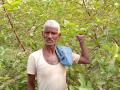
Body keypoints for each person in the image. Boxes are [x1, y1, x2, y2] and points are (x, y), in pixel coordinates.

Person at [27, 20, 89, 90]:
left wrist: (82, 41)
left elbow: (86, 60)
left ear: (59, 36)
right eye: (47, 33)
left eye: (53, 33)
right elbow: (30, 84)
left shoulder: (64, 53)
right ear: (42, 34)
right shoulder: (34, 57)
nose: (49, 36)